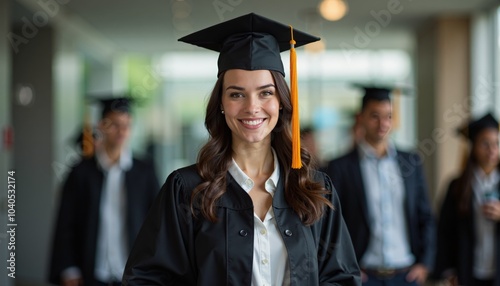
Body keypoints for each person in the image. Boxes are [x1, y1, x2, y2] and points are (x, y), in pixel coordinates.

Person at [122, 13, 361, 285]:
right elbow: (148, 278)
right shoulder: (187, 191)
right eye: (237, 94)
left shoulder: (313, 189)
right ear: (221, 103)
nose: (252, 107)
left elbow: (341, 278)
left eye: (265, 92)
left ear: (281, 101)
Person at [322, 86, 436, 285]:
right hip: (364, 275)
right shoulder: (341, 167)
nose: (383, 123)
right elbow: (332, 223)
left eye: (388, 116)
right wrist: (346, 265)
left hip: (407, 275)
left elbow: (424, 215)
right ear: (361, 118)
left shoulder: (410, 161)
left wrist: (424, 264)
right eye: (375, 116)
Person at [48, 97, 160, 286]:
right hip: (91, 273)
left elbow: (157, 223)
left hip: (134, 274)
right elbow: (66, 223)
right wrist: (69, 269)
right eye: (115, 124)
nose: (122, 130)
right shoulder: (80, 172)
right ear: (101, 127)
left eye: (127, 125)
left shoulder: (144, 171)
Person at [433, 113, 500, 286]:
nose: (492, 149)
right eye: (485, 143)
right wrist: (448, 270)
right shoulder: (457, 186)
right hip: (468, 271)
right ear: (473, 147)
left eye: (497, 143)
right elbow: (445, 231)